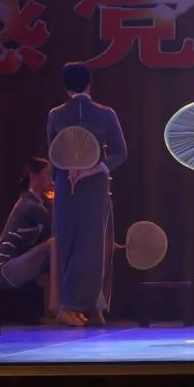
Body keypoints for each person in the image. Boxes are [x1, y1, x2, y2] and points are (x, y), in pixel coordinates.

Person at [47, 62, 127, 327]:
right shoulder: (105, 114)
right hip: (94, 184)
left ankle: (79, 304)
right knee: (92, 244)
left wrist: (68, 172)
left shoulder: (56, 115)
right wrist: (94, 168)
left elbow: (53, 154)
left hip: (66, 183)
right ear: (89, 83)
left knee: (69, 242)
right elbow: (120, 153)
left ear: (64, 86)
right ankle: (83, 305)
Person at [0, 157, 53, 294]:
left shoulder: (36, 204)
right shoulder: (30, 205)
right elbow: (57, 229)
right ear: (34, 176)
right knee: (53, 245)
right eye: (48, 174)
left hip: (17, 265)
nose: (51, 180)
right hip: (6, 269)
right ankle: (59, 302)